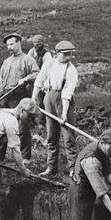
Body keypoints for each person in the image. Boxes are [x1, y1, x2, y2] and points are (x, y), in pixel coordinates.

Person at [33, 40, 79, 177]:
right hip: (49, 98)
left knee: (68, 136)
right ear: (56, 53)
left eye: (70, 54)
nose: (68, 57)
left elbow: (67, 93)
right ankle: (51, 167)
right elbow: (39, 81)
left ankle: (73, 169)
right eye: (65, 54)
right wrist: (33, 99)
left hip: (64, 101)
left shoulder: (71, 70)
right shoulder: (49, 64)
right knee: (51, 135)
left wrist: (64, 113)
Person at [0, 33, 40, 161]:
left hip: (20, 95)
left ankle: (25, 157)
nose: (9, 47)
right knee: (1, 126)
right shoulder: (6, 62)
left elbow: (37, 74)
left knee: (22, 127)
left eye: (12, 44)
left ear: (19, 43)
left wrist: (26, 78)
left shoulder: (27, 59)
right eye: (8, 45)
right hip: (6, 95)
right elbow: (1, 80)